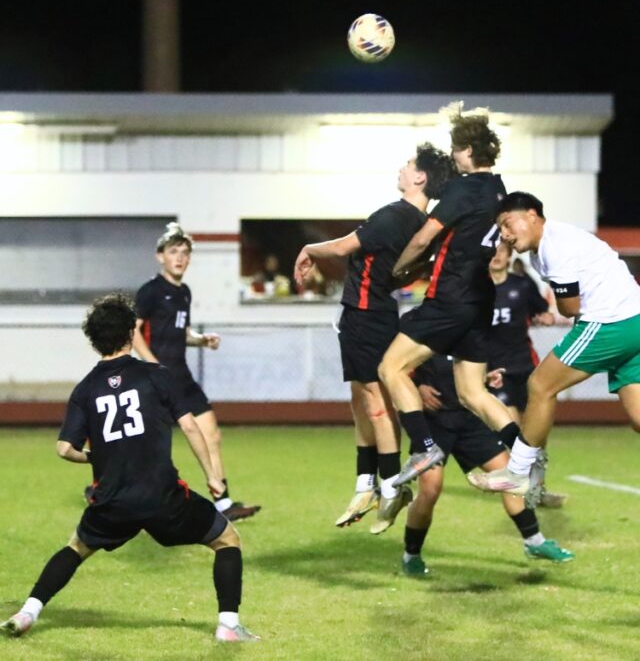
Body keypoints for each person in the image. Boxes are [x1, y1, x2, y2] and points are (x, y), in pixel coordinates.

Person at [1, 294, 258, 642]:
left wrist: (97, 457)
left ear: (94, 340)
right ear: (129, 334)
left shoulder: (85, 389)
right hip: (163, 496)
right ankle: (229, 626)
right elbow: (191, 427)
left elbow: (64, 448)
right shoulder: (156, 376)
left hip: (113, 498)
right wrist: (213, 475)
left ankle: (28, 611)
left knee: (75, 548)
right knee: (227, 538)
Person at [466, 192, 640, 521]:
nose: (504, 234)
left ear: (532, 215)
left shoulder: (553, 243)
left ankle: (517, 471)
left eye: (507, 224)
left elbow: (571, 307)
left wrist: (561, 309)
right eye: (500, 229)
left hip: (611, 323)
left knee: (540, 385)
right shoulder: (547, 248)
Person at [294, 144, 456, 534]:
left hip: (365, 315)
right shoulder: (420, 225)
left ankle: (389, 486)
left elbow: (342, 246)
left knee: (375, 402)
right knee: (361, 399)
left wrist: (307, 250)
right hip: (374, 311)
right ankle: (367, 482)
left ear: (420, 177)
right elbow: (406, 274)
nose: (402, 168)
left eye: (409, 165)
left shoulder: (393, 215)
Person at [378, 103, 521, 486]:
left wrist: (397, 270)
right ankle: (526, 464)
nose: (454, 156)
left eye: (457, 148)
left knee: (390, 368)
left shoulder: (465, 187)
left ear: (469, 151)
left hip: (450, 298)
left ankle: (425, 447)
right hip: (479, 302)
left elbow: (426, 235)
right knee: (473, 393)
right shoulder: (497, 189)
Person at [400, 354, 574, 576]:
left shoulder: (471, 331)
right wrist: (418, 388)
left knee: (512, 476)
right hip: (434, 423)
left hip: (469, 421)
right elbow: (396, 373)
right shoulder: (422, 329)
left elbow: (472, 374)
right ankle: (411, 555)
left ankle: (534, 541)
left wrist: (487, 377)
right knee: (430, 490)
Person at [133, 222, 260, 523]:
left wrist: (201, 339)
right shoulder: (150, 291)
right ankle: (101, 488)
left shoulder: (184, 292)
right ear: (159, 256)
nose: (180, 257)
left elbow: (181, 332)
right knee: (143, 446)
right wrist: (152, 364)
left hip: (182, 377)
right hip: (157, 380)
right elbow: (134, 333)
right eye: (173, 251)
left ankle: (223, 503)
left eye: (185, 252)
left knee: (211, 435)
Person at [486, 253, 567, 508]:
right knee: (514, 430)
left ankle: (538, 490)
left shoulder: (522, 284)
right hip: (496, 372)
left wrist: (546, 317)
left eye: (502, 250)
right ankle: (520, 490)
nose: (497, 256)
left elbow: (543, 312)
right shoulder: (477, 289)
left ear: (509, 255)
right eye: (493, 250)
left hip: (526, 366)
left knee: (538, 433)